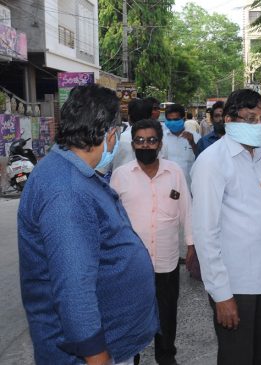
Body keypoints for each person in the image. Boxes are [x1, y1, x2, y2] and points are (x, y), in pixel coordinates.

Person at [17, 84, 158, 365]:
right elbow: (73, 285)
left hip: (108, 341)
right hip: (88, 353)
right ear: (109, 134)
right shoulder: (66, 191)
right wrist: (95, 354)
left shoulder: (75, 173)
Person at [191, 89, 261, 364]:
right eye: (250, 119)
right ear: (229, 119)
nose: (258, 126)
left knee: (260, 354)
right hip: (236, 284)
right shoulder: (212, 161)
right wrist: (221, 295)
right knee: (238, 356)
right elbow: (205, 233)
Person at [110, 119, 194, 365]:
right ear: (133, 143)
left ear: (160, 143)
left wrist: (191, 245)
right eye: (140, 140)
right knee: (131, 315)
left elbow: (187, 210)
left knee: (167, 314)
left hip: (166, 261)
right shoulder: (121, 176)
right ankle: (130, 357)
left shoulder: (174, 172)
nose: (145, 145)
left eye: (151, 140)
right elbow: (113, 221)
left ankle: (166, 356)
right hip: (131, 264)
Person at [161, 103, 200, 187]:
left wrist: (192, 143)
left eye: (175, 120)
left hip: (189, 186)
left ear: (183, 118)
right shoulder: (161, 138)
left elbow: (200, 159)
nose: (172, 123)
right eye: (169, 120)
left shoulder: (195, 137)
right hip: (167, 186)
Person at [112, 98, 154, 169]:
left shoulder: (118, 138)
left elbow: (102, 169)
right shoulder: (159, 139)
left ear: (129, 117)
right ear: (150, 117)